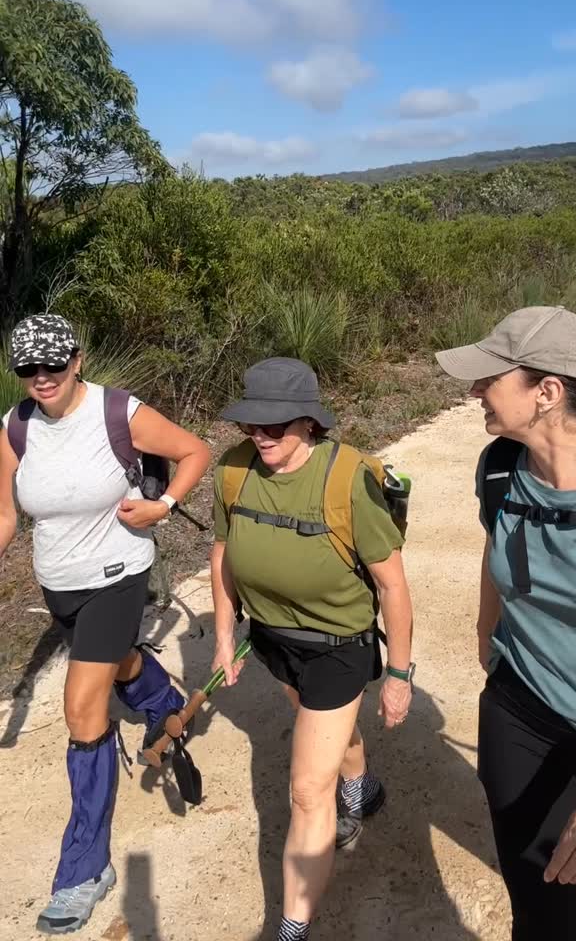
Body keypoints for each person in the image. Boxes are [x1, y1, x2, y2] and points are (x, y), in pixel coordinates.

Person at [0, 314, 211, 935]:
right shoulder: (15, 427)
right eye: (27, 368)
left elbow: (193, 450)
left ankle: (84, 868)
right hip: (58, 583)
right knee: (114, 662)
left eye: (52, 364)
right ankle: (159, 695)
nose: (41, 377)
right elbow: (5, 515)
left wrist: (164, 505)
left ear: (78, 360)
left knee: (81, 707)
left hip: (118, 574)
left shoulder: (117, 411)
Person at [436, 304, 576, 941]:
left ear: (547, 392)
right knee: (538, 895)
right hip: (523, 706)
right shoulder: (499, 467)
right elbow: (499, 549)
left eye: (490, 378)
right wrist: (485, 635)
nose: (474, 391)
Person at [210, 357, 414, 941]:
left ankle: (291, 930)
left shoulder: (348, 479)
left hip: (336, 647)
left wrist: (398, 673)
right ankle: (361, 790)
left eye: (276, 427)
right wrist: (225, 636)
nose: (262, 437)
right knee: (316, 721)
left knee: (306, 792)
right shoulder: (233, 470)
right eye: (253, 425)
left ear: (309, 422)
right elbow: (223, 554)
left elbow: (392, 586)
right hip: (274, 637)